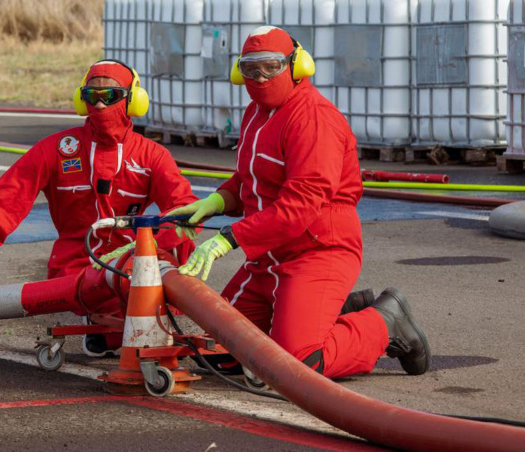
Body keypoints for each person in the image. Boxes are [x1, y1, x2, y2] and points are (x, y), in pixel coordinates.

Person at [170, 26, 430, 378]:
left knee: (298, 364)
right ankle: (334, 312)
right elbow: (251, 177)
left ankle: (386, 322)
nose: (260, 77)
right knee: (215, 353)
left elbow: (301, 205)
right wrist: (218, 200)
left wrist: (228, 238)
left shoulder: (313, 118)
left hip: (318, 251)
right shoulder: (256, 114)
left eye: (271, 66)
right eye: (250, 69)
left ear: (296, 66)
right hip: (269, 257)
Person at [0, 60, 197, 356]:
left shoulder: (152, 155)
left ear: (132, 100)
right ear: (81, 99)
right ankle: (108, 329)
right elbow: (1, 204)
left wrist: (150, 252)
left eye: (111, 97)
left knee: (176, 258)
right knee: (130, 325)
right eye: (92, 96)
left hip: (135, 263)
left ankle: (119, 328)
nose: (100, 105)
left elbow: (186, 212)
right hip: (74, 270)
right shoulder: (56, 149)